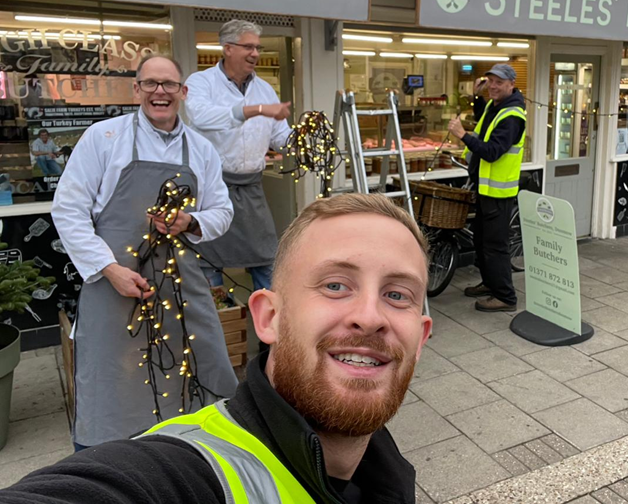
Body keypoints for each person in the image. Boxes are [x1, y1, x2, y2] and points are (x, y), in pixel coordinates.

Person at [2, 194, 433, 504]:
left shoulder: (387, 471)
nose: (371, 316)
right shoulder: (186, 472)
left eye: (398, 295)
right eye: (335, 285)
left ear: (421, 338)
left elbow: (219, 213)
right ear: (268, 318)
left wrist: (190, 222)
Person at [50, 54, 238, 451]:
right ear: (137, 90)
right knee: (111, 377)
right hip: (112, 281)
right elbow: (67, 208)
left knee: (202, 366)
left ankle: (193, 452)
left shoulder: (201, 149)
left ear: (183, 92)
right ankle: (104, 460)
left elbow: (223, 211)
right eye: (151, 84)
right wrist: (108, 268)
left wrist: (190, 222)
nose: (160, 92)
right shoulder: (103, 138)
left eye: (169, 84)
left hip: (180, 282)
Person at [184, 19, 292, 299]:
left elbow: (280, 136)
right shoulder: (201, 82)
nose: (255, 53)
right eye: (248, 47)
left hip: (251, 190)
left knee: (267, 262)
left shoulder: (265, 89)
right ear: (228, 48)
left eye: (257, 47)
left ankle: (272, 336)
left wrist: (306, 141)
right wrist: (255, 110)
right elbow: (201, 117)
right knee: (208, 268)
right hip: (210, 191)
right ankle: (219, 334)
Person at [448, 64, 526, 312]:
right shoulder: (496, 107)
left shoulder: (512, 116)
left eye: (498, 82)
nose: (493, 86)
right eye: (490, 81)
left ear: (511, 84)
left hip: (498, 193)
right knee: (481, 242)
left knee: (495, 246)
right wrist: (476, 96)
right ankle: (489, 283)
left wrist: (462, 135)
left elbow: (492, 151)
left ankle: (505, 296)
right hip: (484, 189)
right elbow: (485, 125)